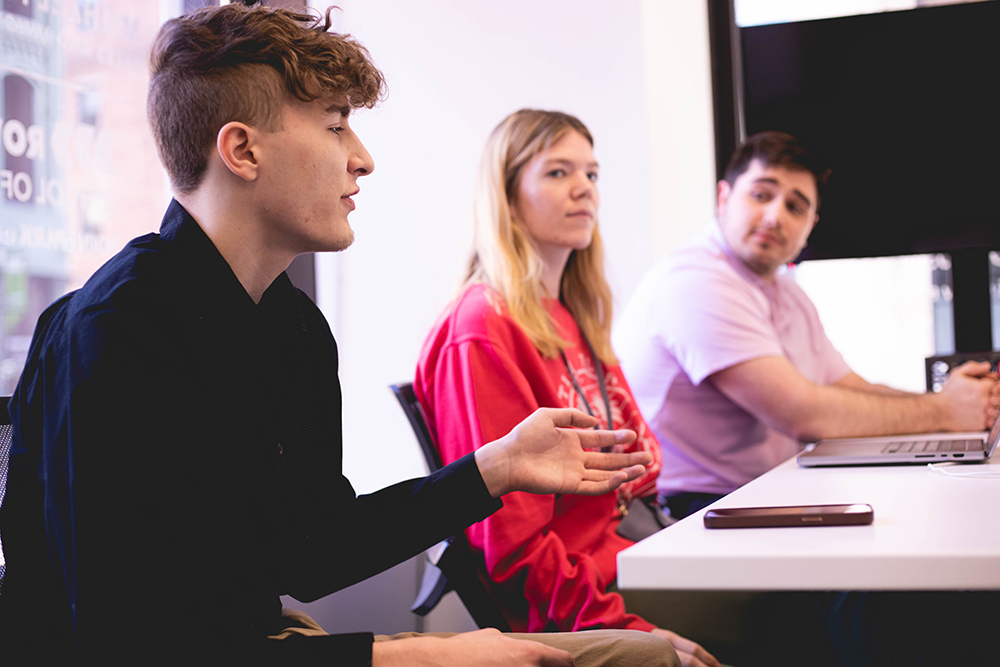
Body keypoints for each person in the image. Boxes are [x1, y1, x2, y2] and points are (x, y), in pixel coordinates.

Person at [0, 5, 679, 666]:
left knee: (642, 656)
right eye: (335, 126)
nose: (363, 159)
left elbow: (313, 550)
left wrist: (495, 467)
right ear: (241, 149)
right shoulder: (115, 333)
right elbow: (136, 646)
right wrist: (397, 655)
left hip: (256, 638)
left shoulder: (294, 326)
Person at [415, 109, 720, 667]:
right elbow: (513, 547)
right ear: (506, 198)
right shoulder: (481, 328)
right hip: (590, 604)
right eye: (558, 172)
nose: (584, 188)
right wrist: (634, 632)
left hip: (634, 560)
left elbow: (641, 465)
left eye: (592, 173)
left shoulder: (575, 317)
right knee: (823, 601)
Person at [613, 131, 998, 519]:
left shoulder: (785, 291)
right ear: (724, 198)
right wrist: (943, 413)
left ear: (810, 224)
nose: (774, 216)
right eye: (761, 195)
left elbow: (848, 387)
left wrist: (951, 403)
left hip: (763, 491)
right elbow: (803, 414)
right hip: (693, 509)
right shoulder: (694, 281)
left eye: (795, 207)